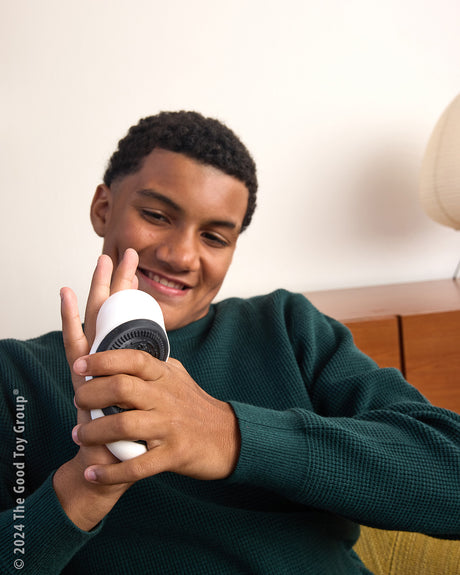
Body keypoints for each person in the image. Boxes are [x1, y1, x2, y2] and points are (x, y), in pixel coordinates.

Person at [0, 111, 459, 575]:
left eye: (215, 237)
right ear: (103, 208)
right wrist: (85, 486)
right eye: (156, 215)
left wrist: (229, 435)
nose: (181, 255)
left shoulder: (286, 326)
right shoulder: (15, 375)